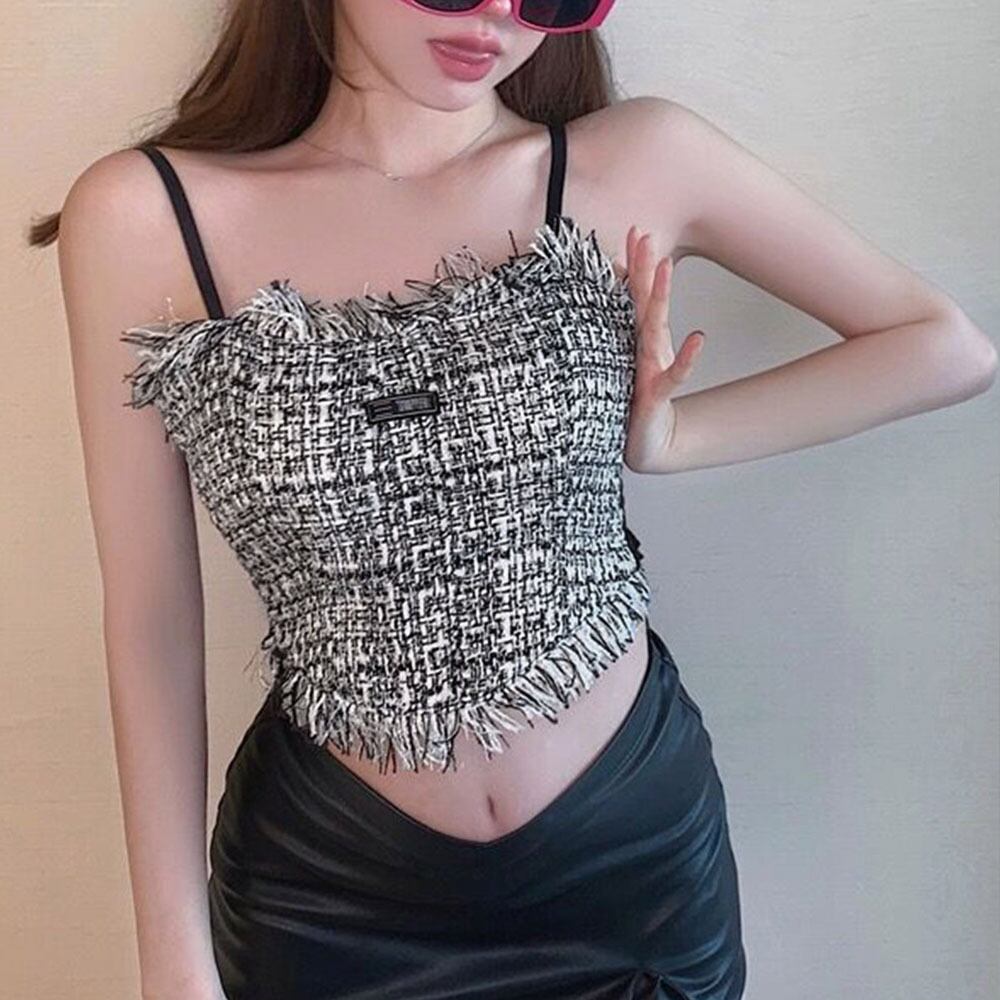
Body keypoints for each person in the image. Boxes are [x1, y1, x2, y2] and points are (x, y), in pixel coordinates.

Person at [45, 1, 995, 998]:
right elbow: (153, 618)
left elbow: (944, 347)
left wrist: (677, 440)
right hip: (330, 895)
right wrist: (172, 960)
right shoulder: (147, 217)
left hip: (631, 878)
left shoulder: (635, 162)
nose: (500, 13)